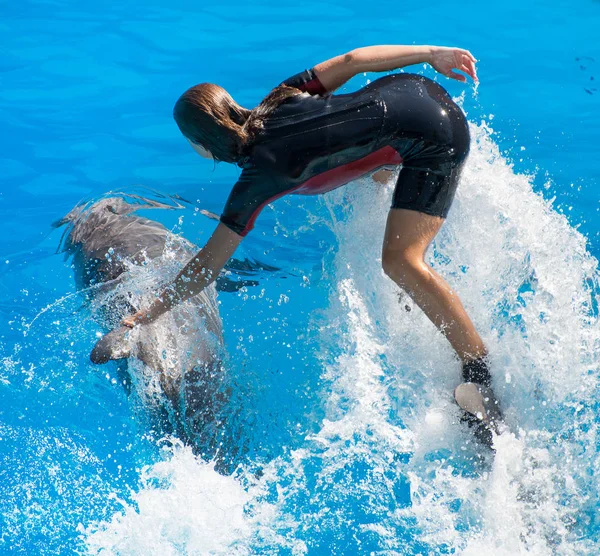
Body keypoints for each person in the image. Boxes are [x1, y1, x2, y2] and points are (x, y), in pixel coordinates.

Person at [121, 44, 494, 409]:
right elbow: (352, 61)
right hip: (414, 89)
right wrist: (432, 54)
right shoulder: (280, 97)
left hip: (437, 137)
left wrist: (145, 315)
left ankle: (479, 372)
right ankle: (427, 297)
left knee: (400, 262)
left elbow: (207, 266)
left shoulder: (258, 177)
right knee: (374, 168)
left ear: (201, 144)